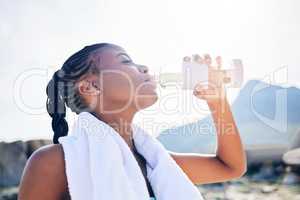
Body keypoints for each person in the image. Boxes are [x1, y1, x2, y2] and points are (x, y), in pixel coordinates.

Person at [18, 43, 247, 200]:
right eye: (126, 61)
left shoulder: (156, 163)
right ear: (91, 86)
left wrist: (218, 102)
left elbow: (231, 167)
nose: (145, 68)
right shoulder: (51, 163)